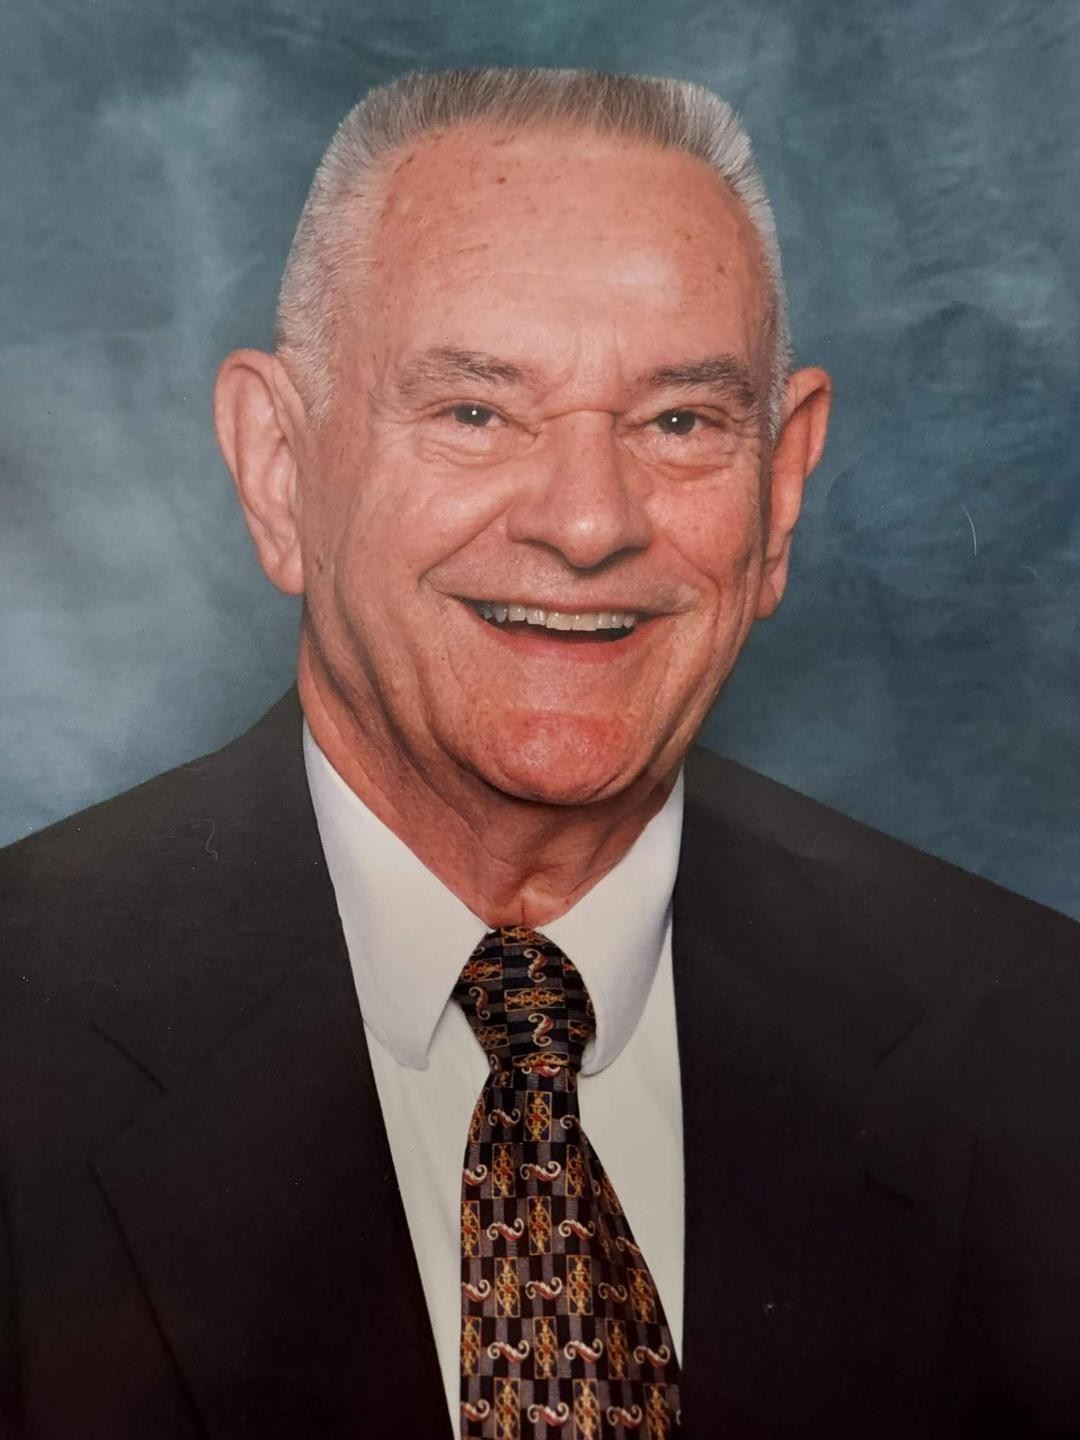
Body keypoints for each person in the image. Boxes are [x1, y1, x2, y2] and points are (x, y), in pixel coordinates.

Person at [2, 66, 1078, 1440]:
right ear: (280, 469)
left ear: (783, 482)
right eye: (473, 412)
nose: (586, 523)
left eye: (680, 422)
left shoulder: (1043, 1053)